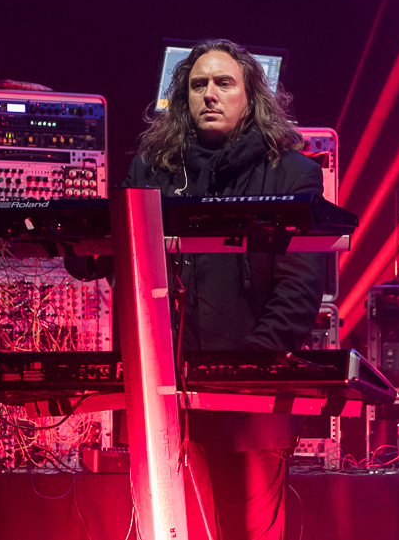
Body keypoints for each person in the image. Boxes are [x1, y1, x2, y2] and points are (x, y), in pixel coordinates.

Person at [123, 39, 325, 540]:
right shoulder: (152, 170)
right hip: (167, 392)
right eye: (198, 85)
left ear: (250, 95)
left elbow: (299, 288)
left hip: (251, 394)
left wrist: (246, 372)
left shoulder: (293, 173)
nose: (209, 94)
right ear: (183, 97)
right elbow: (123, 269)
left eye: (223, 83)